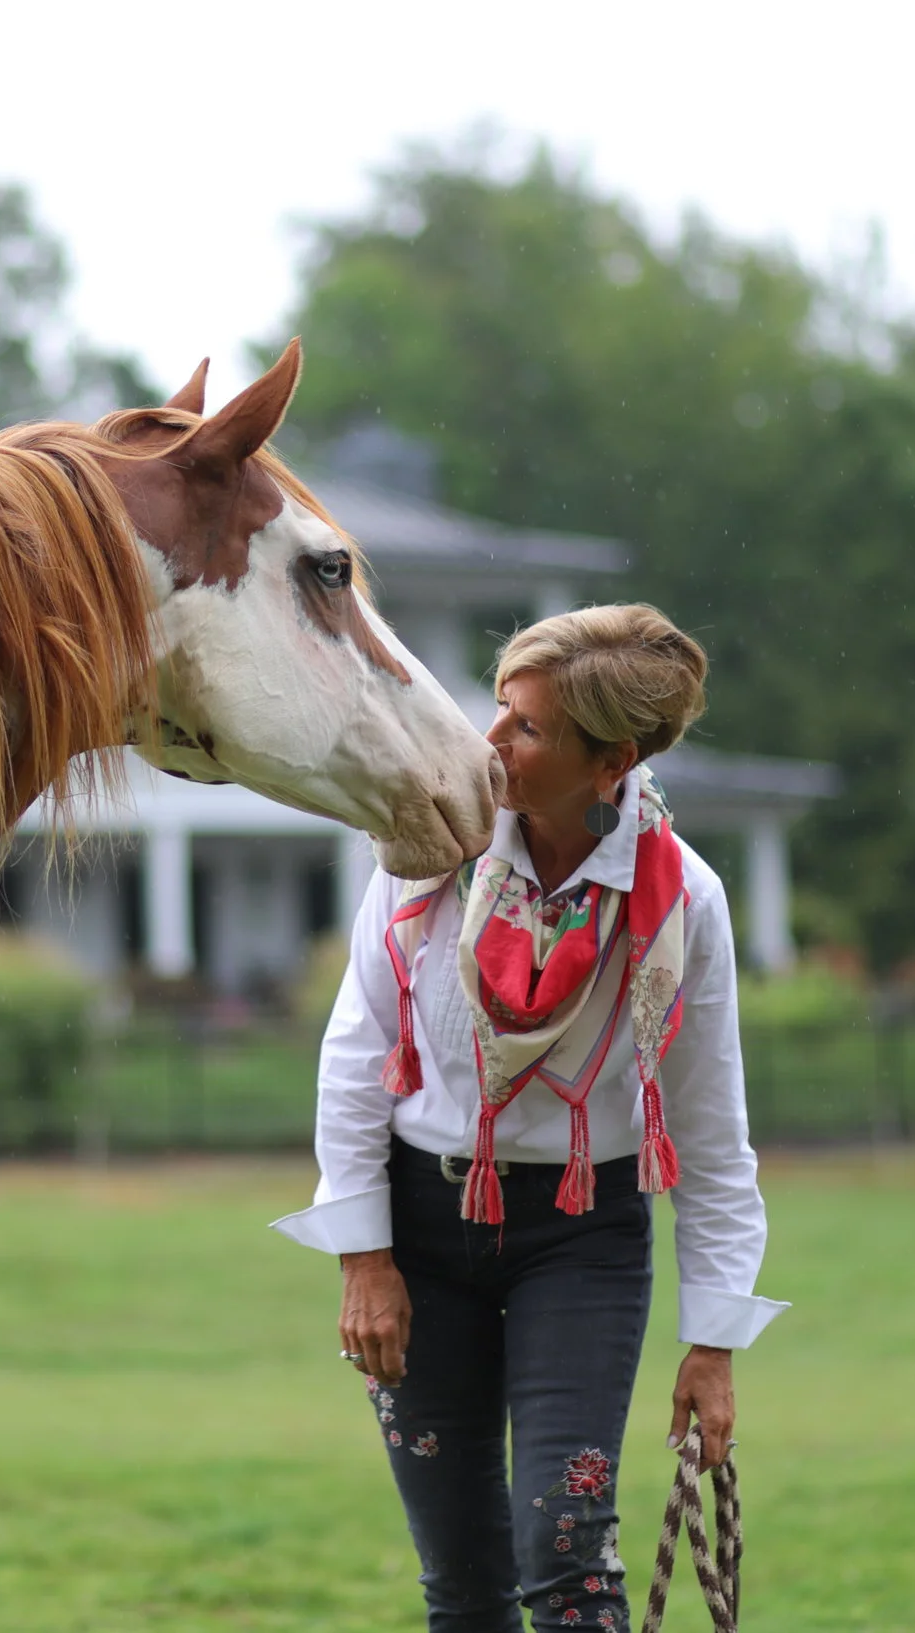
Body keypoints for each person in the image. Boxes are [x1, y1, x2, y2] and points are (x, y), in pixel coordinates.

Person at [272, 604, 787, 1633]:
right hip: (417, 1230)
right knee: (461, 1575)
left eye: (526, 727)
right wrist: (361, 1257)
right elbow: (355, 1056)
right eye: (497, 710)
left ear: (614, 761)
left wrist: (714, 1342)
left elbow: (712, 1134)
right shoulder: (428, 843)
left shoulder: (682, 899)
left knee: (563, 1538)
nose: (488, 740)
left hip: (583, 1236)